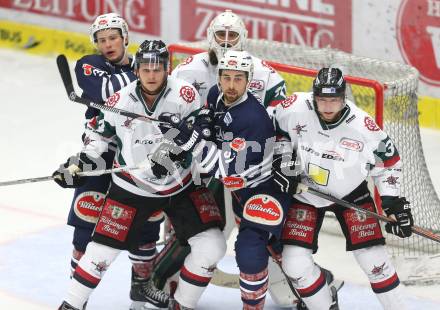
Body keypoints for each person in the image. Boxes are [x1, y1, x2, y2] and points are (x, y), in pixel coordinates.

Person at [152, 9, 338, 309]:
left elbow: (281, 127)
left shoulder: (258, 101)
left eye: (232, 35)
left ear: (249, 78)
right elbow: (198, 117)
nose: (230, 84)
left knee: (268, 247)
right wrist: (181, 131)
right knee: (199, 234)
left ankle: (311, 291)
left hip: (249, 173)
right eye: (221, 35)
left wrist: (288, 161)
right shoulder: (198, 78)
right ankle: (161, 283)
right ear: (210, 37)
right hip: (213, 168)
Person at [53, 39, 226, 310]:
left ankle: (182, 304)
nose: (152, 74)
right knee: (100, 253)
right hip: (133, 187)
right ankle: (71, 305)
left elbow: (199, 133)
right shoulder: (119, 100)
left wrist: (173, 156)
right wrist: (80, 163)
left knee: (213, 246)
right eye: (146, 69)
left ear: (167, 69)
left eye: (158, 68)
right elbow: (99, 137)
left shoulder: (185, 95)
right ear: (137, 70)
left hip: (182, 185)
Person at [273, 67, 413, 309]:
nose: (328, 106)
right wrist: (285, 163)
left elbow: (389, 162)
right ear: (314, 96)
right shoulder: (294, 107)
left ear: (343, 98)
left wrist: (392, 203)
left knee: (375, 262)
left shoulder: (363, 127)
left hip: (351, 192)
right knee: (294, 264)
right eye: (322, 100)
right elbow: (279, 132)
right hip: (306, 193)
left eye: (334, 100)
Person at [161, 50, 291, 309]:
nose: (231, 85)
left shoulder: (253, 119)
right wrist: (190, 126)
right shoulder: (215, 95)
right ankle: (312, 290)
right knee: (277, 248)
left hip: (264, 191)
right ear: (218, 77)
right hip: (240, 191)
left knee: (250, 251)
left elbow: (225, 170)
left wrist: (190, 140)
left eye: (238, 79)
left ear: (248, 80)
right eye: (226, 77)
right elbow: (209, 123)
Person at [66, 13, 164, 310]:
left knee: (147, 224)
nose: (108, 44)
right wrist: (143, 72)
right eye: (102, 39)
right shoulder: (89, 64)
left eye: (113, 37)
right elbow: (110, 92)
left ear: (125, 38)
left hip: (139, 152)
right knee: (87, 217)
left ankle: (140, 291)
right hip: (100, 151)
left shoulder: (143, 66)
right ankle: (76, 296)